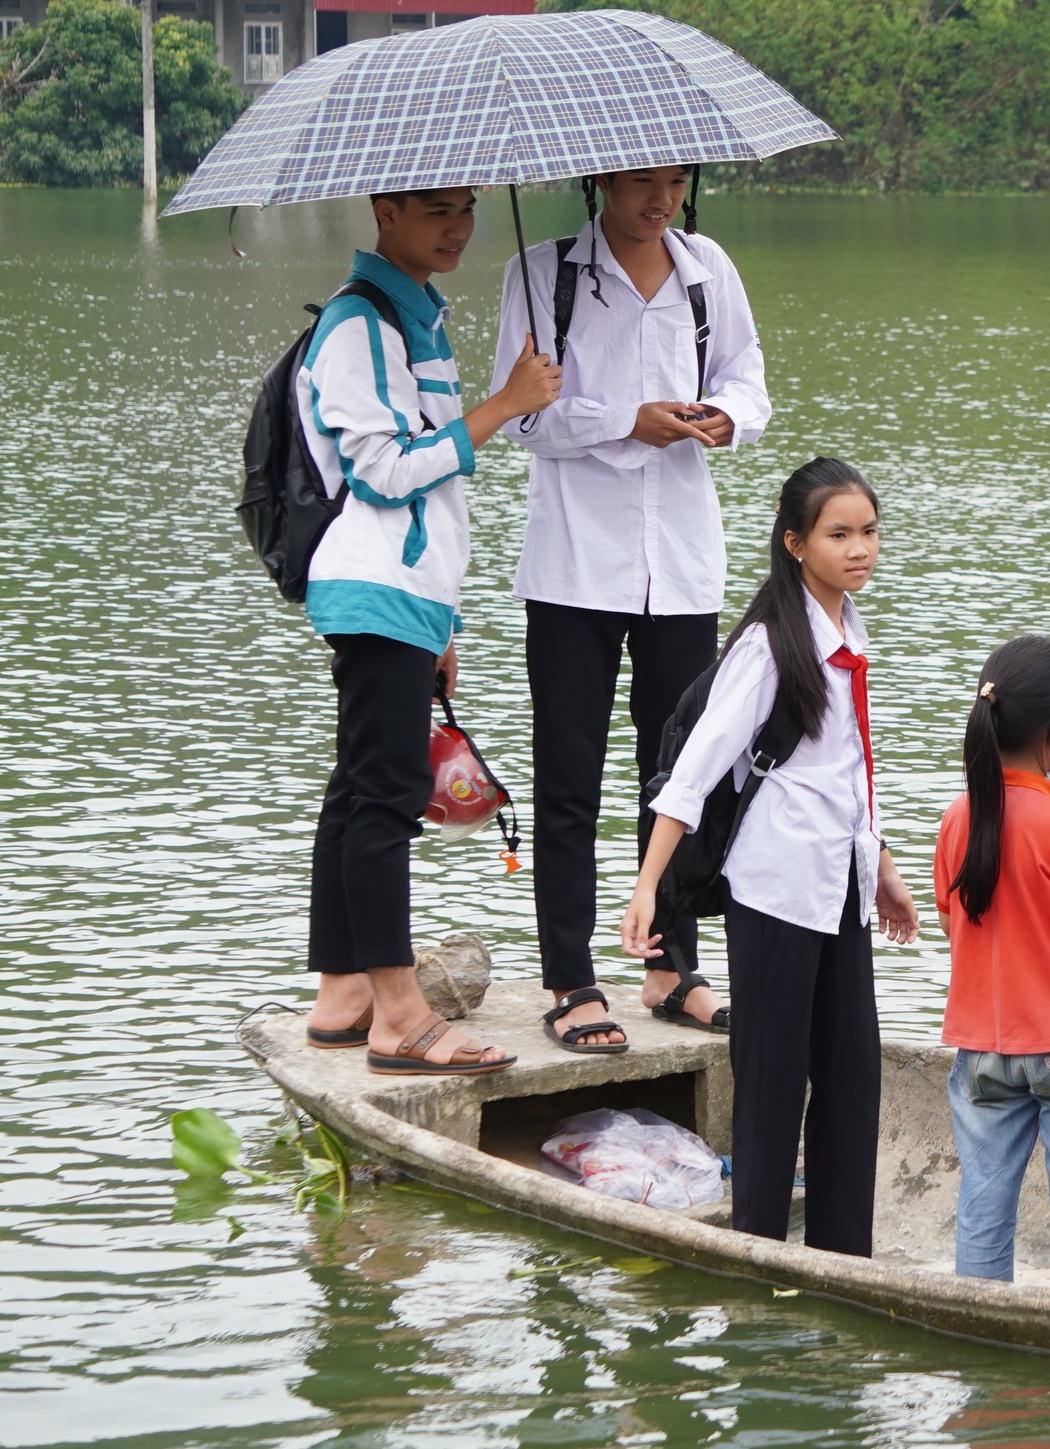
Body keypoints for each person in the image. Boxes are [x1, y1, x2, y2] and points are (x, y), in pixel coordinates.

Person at [493, 166, 771, 1051]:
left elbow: (749, 380)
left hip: (681, 564)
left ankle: (669, 966)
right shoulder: (544, 274)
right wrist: (627, 419)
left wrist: (724, 418)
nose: (662, 198)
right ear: (600, 179)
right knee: (568, 778)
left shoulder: (706, 269)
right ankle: (572, 979)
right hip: (574, 563)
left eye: (676, 180)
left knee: (685, 773)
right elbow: (524, 418)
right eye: (643, 181)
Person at [619, 459, 922, 1255]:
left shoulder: (850, 628)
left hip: (840, 885)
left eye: (869, 531)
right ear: (795, 543)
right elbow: (694, 773)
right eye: (839, 534)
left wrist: (881, 865)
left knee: (852, 1078)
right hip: (776, 888)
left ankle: (839, 1254)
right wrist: (648, 884)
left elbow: (851, 764)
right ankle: (753, 1249)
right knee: (771, 1083)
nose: (860, 548)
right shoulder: (767, 646)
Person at [298, 188, 561, 1076]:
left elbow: (431, 491)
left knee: (359, 786)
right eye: (436, 211)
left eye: (467, 210)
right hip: (372, 586)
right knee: (384, 795)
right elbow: (384, 473)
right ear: (384, 208)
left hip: (405, 594)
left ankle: (343, 994)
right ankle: (400, 1015)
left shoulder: (416, 319)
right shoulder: (358, 325)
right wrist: (505, 402)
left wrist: (442, 614)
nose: (458, 228)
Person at [934, 635, 1050, 1295]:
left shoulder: (958, 818)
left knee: (983, 1197)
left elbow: (950, 916)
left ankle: (980, 1326)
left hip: (982, 1042)